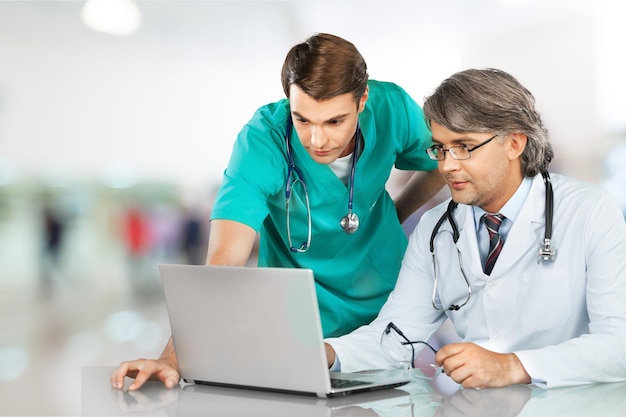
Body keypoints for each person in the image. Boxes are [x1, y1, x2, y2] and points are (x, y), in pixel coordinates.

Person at [111, 33, 444, 391]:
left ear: (362, 101)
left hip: (383, 301)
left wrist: (398, 212)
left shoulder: (392, 109)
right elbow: (224, 261)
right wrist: (170, 359)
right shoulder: (262, 141)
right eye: (302, 120)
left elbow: (442, 160)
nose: (317, 140)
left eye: (334, 122)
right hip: (297, 313)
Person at [324, 68, 626, 389]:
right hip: (477, 406)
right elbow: (394, 337)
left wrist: (513, 366)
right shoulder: (434, 228)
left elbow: (619, 345)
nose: (447, 165)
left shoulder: (590, 211)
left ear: (514, 144)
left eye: (464, 146)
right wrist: (321, 353)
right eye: (440, 148)